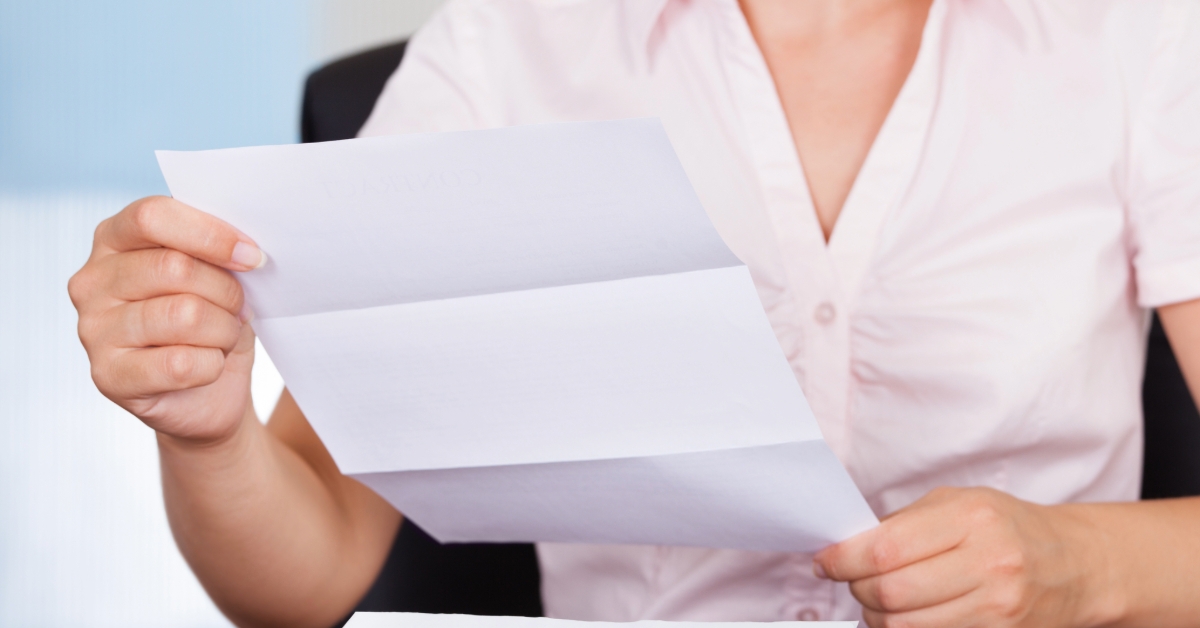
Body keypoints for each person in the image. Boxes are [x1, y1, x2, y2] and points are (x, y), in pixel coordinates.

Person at [68, 0, 1200, 626]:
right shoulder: (509, 46)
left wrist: (1072, 562)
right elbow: (301, 578)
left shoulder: (1139, 37)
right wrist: (203, 423)